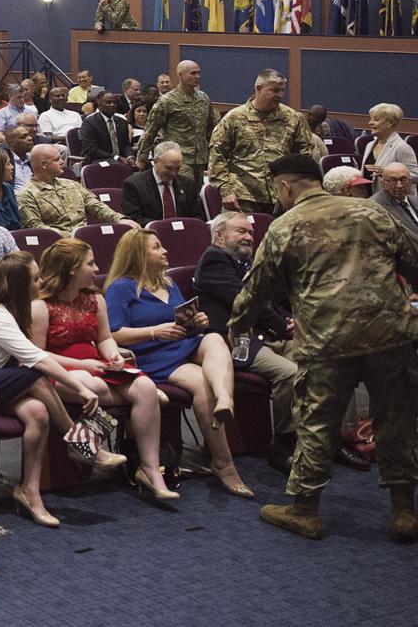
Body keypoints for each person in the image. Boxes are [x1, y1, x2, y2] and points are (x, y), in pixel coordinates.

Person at [231, 154, 418, 541]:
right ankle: (403, 513)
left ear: (285, 187)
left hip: (326, 341)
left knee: (316, 424)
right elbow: (413, 258)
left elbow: (256, 288)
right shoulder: (373, 213)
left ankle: (305, 511)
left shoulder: (285, 226)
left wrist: (239, 325)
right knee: (397, 421)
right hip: (389, 335)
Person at [0, 251, 123, 526]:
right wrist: (80, 388)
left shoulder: (10, 310)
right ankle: (79, 441)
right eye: (35, 278)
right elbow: (36, 359)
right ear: (19, 285)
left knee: (37, 412)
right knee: (35, 376)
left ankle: (29, 491)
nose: (41, 282)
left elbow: (27, 355)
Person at [104, 228, 253, 498]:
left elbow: (183, 319)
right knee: (202, 386)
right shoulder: (120, 288)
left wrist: (197, 321)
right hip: (151, 356)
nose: (165, 251)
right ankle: (224, 464)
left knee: (214, 338)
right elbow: (112, 334)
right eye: (157, 247)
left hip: (182, 346)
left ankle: (225, 399)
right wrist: (154, 332)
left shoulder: (168, 283)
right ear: (138, 254)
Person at [31, 238, 175, 499]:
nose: (97, 269)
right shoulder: (40, 306)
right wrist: (82, 364)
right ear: (72, 269)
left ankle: (150, 470)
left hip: (98, 364)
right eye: (90, 263)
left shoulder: (94, 298)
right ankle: (83, 442)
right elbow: (36, 354)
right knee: (97, 385)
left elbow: (105, 338)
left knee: (144, 387)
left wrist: (113, 355)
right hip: (59, 370)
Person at [193, 211, 301, 475]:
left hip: (268, 334)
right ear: (219, 236)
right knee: (290, 374)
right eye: (240, 231)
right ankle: (283, 446)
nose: (249, 237)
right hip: (239, 341)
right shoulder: (213, 260)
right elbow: (245, 302)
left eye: (251, 233)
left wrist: (287, 320)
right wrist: (281, 325)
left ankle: (321, 439)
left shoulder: (246, 263)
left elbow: (270, 300)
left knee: (322, 359)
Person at [208, 69, 311, 214]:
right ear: (259, 88)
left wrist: (300, 189)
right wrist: (226, 190)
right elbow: (217, 156)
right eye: (274, 90)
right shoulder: (234, 118)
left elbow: (304, 156)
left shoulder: (293, 118)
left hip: (282, 198)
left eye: (282, 90)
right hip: (242, 198)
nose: (280, 95)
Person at [18, 145, 139, 236]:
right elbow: (37, 228)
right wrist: (73, 236)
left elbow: (97, 207)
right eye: (57, 159)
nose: (62, 162)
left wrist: (119, 219)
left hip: (86, 238)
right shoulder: (26, 195)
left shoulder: (72, 185)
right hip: (59, 245)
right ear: (43, 164)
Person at [135, 61, 218, 194]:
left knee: (196, 194)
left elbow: (211, 129)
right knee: (184, 192)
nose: (197, 76)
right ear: (180, 75)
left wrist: (213, 155)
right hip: (178, 158)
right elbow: (150, 130)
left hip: (200, 158)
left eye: (198, 73)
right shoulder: (167, 101)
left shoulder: (203, 98)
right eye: (193, 73)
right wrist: (141, 158)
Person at [120, 142, 202, 226]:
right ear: (155, 162)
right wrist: (162, 226)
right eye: (168, 168)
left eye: (177, 168)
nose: (173, 173)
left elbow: (197, 216)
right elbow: (134, 218)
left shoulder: (187, 184)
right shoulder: (134, 185)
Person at [361, 103, 418, 196]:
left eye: (376, 119)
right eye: (371, 119)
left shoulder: (402, 147)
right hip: (370, 199)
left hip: (394, 201)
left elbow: (415, 176)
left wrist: (388, 174)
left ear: (390, 123)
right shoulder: (369, 145)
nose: (370, 123)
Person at [79, 92, 133, 165]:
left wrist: (130, 157)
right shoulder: (90, 123)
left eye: (114, 102)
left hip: (121, 160)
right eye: (108, 102)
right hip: (98, 160)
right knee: (116, 166)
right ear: (100, 104)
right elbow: (91, 150)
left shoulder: (122, 122)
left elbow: (126, 145)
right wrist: (116, 157)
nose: (112, 105)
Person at [369, 162, 418, 240]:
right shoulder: (375, 206)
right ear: (383, 184)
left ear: (410, 182)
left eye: (403, 179)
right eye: (393, 180)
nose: (399, 185)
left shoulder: (414, 199)